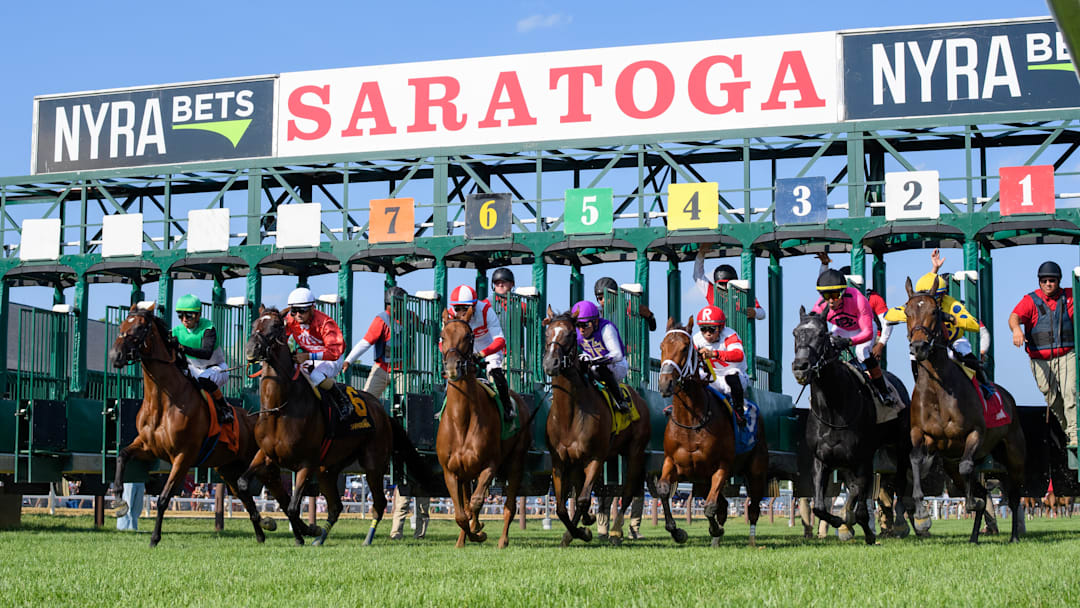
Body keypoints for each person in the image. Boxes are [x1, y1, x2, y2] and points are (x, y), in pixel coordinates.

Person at [885, 249, 989, 397]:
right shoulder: (917, 304)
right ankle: (919, 390)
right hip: (929, 342)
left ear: (943, 294)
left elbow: (973, 324)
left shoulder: (952, 304)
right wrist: (910, 314)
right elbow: (889, 314)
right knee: (913, 355)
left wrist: (953, 319)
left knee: (964, 350)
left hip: (953, 340)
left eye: (936, 297)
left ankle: (984, 387)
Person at [1008, 260, 1078, 447]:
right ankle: (1068, 429)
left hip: (1066, 355)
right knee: (1052, 398)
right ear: (1039, 282)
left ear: (1059, 281)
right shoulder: (1030, 300)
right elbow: (1014, 317)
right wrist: (1016, 330)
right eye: (1045, 280)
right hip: (1040, 360)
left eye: (1052, 281)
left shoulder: (1071, 296)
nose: (1048, 284)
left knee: (1070, 393)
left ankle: (1074, 435)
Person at [812, 269, 897, 407]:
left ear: (843, 292)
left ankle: (884, 392)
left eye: (835, 295)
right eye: (827, 296)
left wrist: (849, 342)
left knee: (861, 352)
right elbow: (812, 322)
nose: (831, 301)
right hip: (843, 329)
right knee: (824, 345)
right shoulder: (821, 304)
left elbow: (868, 333)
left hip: (864, 329)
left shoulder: (858, 300)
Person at [446, 284, 515, 423]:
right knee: (452, 374)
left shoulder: (486, 311)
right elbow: (443, 341)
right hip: (464, 349)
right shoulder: (450, 314)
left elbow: (500, 340)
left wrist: (482, 354)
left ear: (474, 305)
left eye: (465, 309)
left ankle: (507, 408)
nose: (461, 313)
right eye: (457, 308)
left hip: (488, 348)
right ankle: (444, 410)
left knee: (495, 372)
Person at [284, 287, 351, 418]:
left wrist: (307, 356)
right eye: (294, 311)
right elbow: (282, 336)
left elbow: (334, 353)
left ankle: (342, 400)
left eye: (302, 311)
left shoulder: (326, 324)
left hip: (332, 359)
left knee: (315, 375)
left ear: (312, 308)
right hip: (310, 358)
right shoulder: (292, 320)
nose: (298, 315)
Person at [172, 294, 232, 423]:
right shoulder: (176, 331)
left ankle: (224, 407)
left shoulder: (208, 329)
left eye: (189, 315)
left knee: (203, 379)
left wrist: (183, 348)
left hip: (216, 369)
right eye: (180, 315)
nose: (184, 319)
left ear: (198, 315)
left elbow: (206, 353)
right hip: (194, 368)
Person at [343, 286, 406, 397]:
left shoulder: (411, 318)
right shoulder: (381, 320)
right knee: (366, 399)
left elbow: (425, 330)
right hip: (382, 369)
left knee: (405, 403)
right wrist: (348, 360)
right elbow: (365, 342)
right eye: (391, 305)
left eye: (398, 305)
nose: (395, 309)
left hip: (404, 370)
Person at [692, 305, 749, 426]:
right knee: (693, 376)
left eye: (711, 329)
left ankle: (739, 412)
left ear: (721, 328)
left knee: (732, 374)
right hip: (713, 377)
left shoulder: (730, 335)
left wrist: (714, 354)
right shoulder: (696, 339)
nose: (707, 334)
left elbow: (739, 355)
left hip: (735, 378)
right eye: (703, 329)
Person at [571, 300, 631, 412]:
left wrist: (596, 361)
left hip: (617, 365)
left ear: (595, 322)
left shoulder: (606, 329)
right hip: (594, 362)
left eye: (585, 325)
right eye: (578, 325)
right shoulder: (577, 332)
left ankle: (620, 400)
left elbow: (617, 354)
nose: (581, 330)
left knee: (598, 368)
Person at [693, 243, 765, 319]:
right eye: (721, 284)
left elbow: (762, 313)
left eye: (727, 283)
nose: (724, 287)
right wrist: (701, 254)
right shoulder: (712, 291)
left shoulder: (744, 293)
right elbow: (698, 276)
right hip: (718, 329)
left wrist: (755, 312)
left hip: (738, 330)